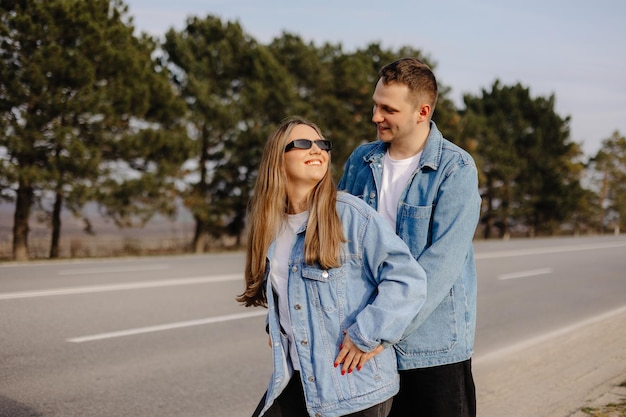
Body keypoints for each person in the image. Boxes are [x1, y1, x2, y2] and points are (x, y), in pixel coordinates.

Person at [237, 116, 428, 417]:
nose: (317, 150)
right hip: (298, 378)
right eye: (302, 144)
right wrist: (277, 326)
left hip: (354, 387)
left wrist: (367, 333)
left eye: (322, 144)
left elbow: (407, 279)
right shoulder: (270, 227)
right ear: (277, 158)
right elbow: (291, 290)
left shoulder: (349, 214)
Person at [338, 58, 481, 417]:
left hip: (429, 350)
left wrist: (379, 331)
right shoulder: (360, 161)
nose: (375, 116)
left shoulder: (456, 170)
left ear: (423, 111)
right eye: (375, 104)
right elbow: (337, 243)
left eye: (388, 109)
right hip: (365, 342)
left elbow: (438, 269)